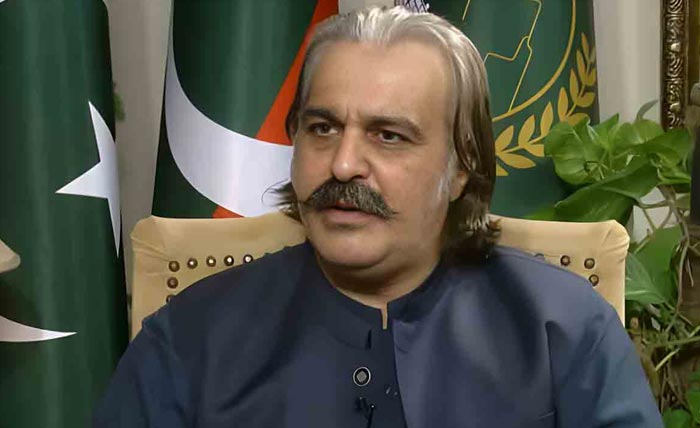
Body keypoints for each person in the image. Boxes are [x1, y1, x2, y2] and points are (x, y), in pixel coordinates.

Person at [94, 6, 663, 427]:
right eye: (322, 128)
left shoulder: (564, 329)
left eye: (388, 135)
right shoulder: (190, 340)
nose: (343, 164)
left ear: (461, 166)